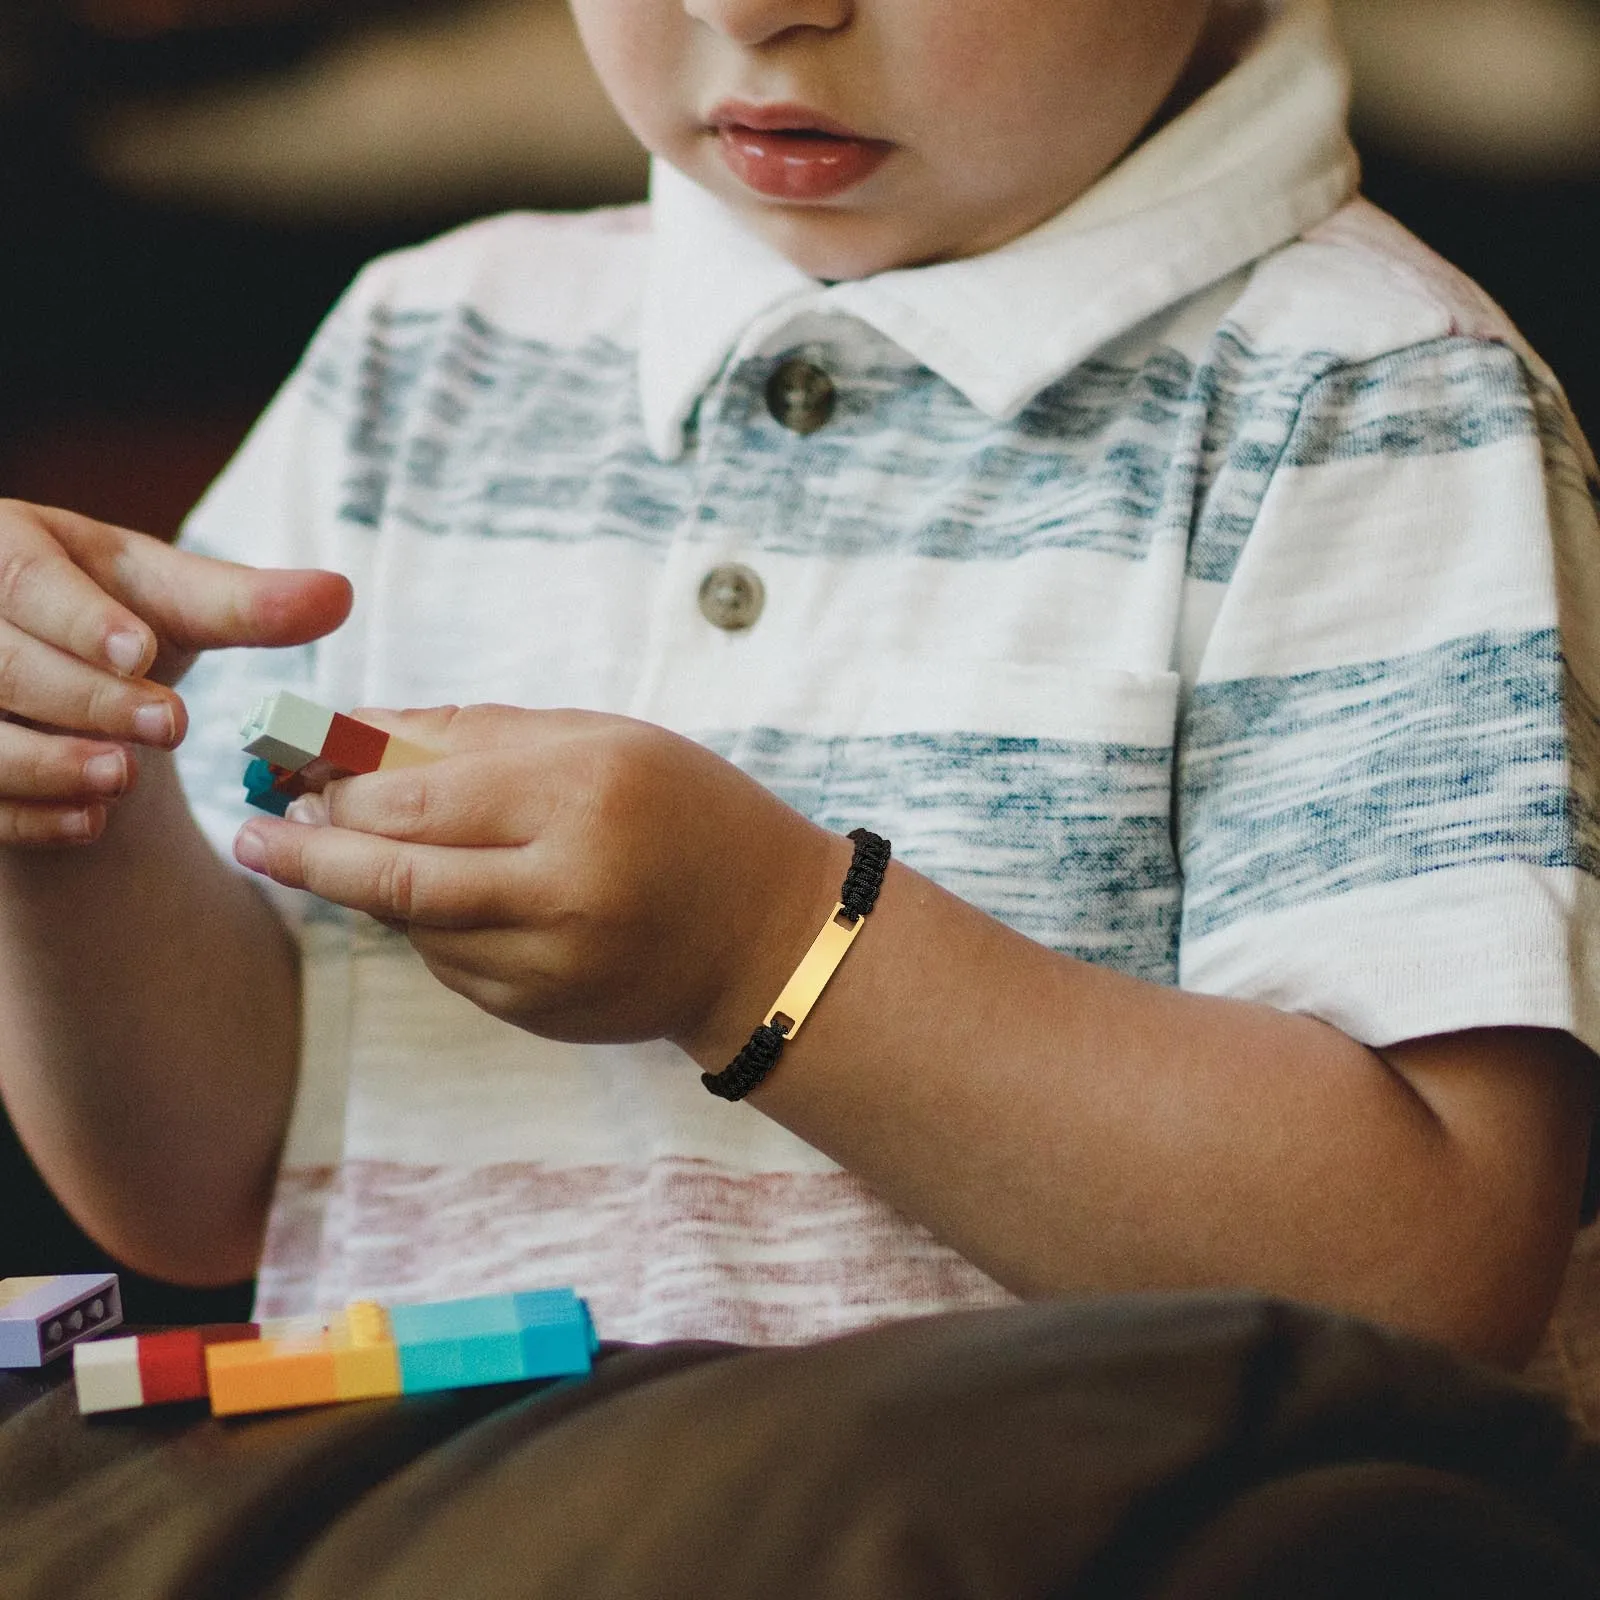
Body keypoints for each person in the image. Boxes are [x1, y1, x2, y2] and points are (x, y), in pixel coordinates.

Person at [0, 0, 1595, 1370]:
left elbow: (1429, 1274)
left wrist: (764, 945)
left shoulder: (1367, 401)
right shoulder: (428, 349)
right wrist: (75, 786)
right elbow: (208, 1190)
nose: (753, 6)